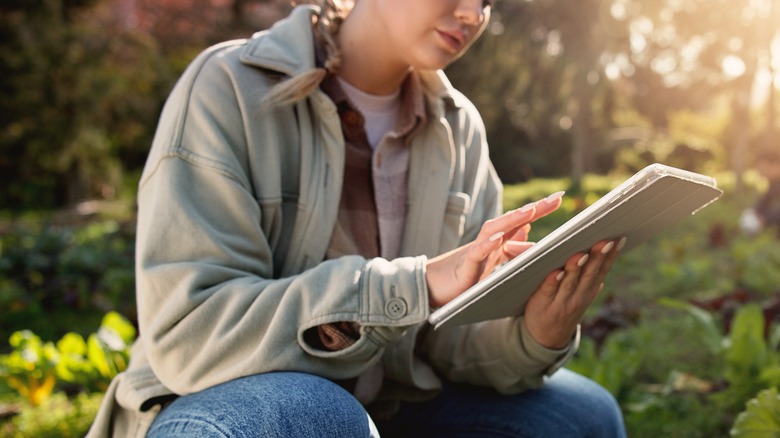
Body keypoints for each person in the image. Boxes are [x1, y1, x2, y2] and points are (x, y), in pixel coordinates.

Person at [88, 1, 627, 436]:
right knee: (318, 414)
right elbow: (190, 328)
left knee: (582, 414)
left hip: (392, 407)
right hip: (219, 403)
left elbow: (446, 344)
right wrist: (413, 284)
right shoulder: (230, 85)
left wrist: (537, 333)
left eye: (486, 1)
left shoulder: (458, 128)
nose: (472, 14)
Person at [741, 148, 780, 236]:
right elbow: (764, 201)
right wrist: (754, 212)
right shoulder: (774, 184)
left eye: (763, 168)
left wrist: (765, 219)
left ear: (776, 165)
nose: (761, 172)